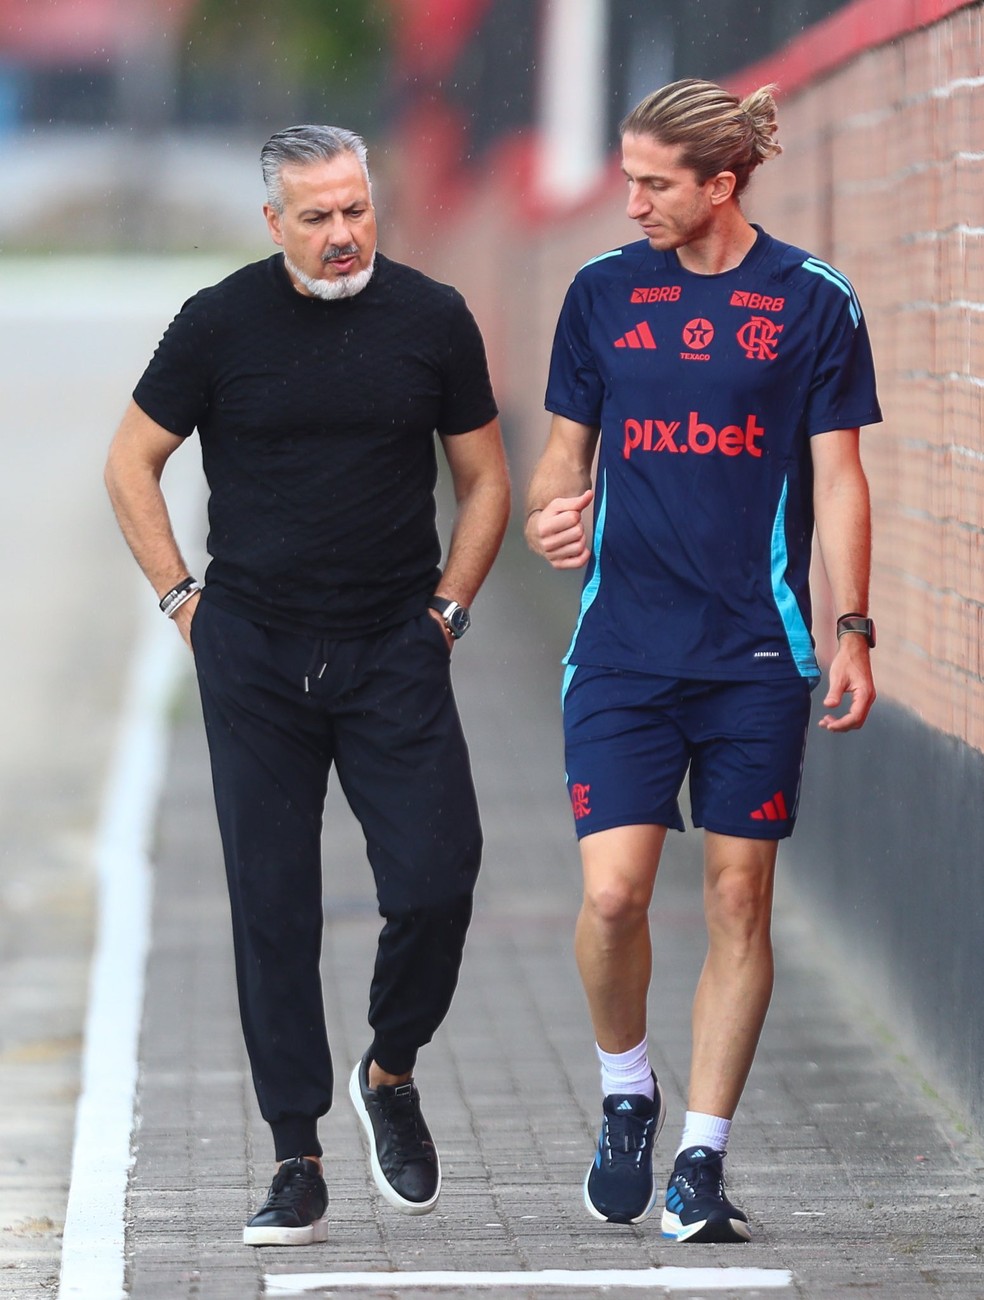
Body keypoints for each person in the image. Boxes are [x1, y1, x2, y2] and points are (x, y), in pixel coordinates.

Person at [105, 124, 510, 1246]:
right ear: (274, 222)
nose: (344, 235)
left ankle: (389, 1067)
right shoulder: (219, 322)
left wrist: (448, 611)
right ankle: (296, 1152)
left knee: (436, 878)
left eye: (356, 209)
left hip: (394, 643)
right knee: (273, 912)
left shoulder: (432, 318)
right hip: (256, 653)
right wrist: (183, 601)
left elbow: (484, 484)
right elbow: (130, 462)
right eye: (319, 216)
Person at [525, 79, 879, 1243]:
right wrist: (550, 516)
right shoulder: (600, 296)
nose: (629, 202)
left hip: (755, 655)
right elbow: (560, 461)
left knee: (739, 895)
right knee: (615, 895)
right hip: (623, 646)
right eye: (626, 177)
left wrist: (854, 627)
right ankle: (629, 1089)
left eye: (652, 183)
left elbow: (838, 479)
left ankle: (700, 1161)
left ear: (720, 184)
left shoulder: (812, 301)